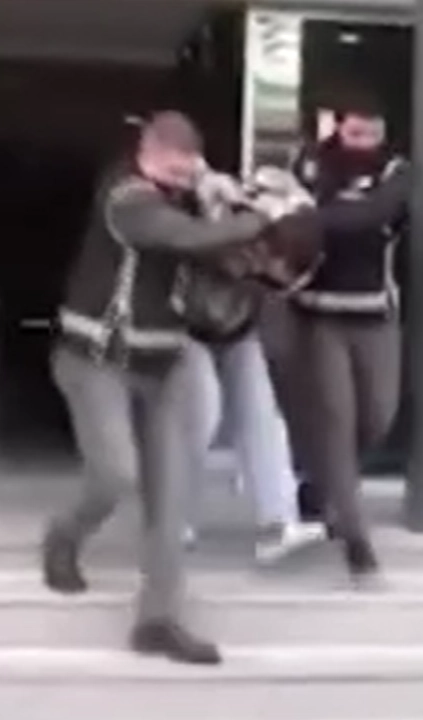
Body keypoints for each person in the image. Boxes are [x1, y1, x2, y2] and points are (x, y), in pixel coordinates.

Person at [41, 111, 271, 665]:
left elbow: (222, 253)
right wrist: (259, 218)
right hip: (94, 359)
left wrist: (228, 201)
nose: (182, 180)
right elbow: (183, 237)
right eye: (173, 170)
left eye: (189, 171)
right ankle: (65, 535)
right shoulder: (126, 196)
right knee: (115, 474)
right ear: (147, 152)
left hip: (164, 362)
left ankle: (158, 621)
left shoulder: (191, 196)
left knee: (170, 498)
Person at [288, 92, 412, 583]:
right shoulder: (309, 163)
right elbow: (284, 211)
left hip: (375, 312)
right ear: (337, 127)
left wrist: (317, 217)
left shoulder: (397, 171)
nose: (362, 142)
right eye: (354, 132)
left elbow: (374, 214)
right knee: (335, 420)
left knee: (378, 416)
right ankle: (356, 540)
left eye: (371, 133)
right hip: (319, 315)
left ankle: (324, 481)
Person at [181, 166, 326, 563]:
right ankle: (169, 516)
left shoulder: (290, 226)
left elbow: (289, 274)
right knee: (200, 412)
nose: (269, 274)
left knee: (261, 416)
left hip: (236, 327)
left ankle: (278, 521)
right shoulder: (224, 218)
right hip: (186, 325)